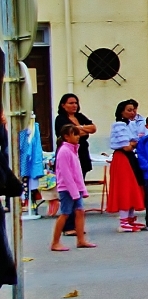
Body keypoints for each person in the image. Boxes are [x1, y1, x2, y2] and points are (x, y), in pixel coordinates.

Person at [54, 93, 97, 236]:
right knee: (70, 194)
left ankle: (78, 229)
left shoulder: (80, 116)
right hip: (70, 155)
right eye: (71, 103)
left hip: (81, 153)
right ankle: (68, 226)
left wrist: (78, 128)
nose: (74, 105)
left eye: (76, 103)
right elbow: (68, 132)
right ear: (63, 105)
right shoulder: (60, 119)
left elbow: (93, 128)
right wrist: (81, 129)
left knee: (79, 182)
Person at [50, 124, 96, 251]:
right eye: (74, 134)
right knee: (65, 213)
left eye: (78, 134)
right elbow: (66, 175)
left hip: (76, 189)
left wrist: (82, 190)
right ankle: (55, 242)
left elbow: (78, 174)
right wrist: (75, 192)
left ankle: (81, 240)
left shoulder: (73, 150)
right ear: (66, 136)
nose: (77, 137)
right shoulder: (64, 151)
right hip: (67, 189)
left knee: (80, 212)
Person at [106, 100, 146, 232]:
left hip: (130, 158)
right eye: (129, 110)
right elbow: (127, 146)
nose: (133, 112)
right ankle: (123, 222)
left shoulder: (132, 124)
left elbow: (135, 141)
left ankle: (130, 219)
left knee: (134, 186)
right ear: (121, 112)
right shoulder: (119, 125)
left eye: (134, 109)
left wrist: (134, 143)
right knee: (125, 188)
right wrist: (134, 143)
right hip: (122, 158)